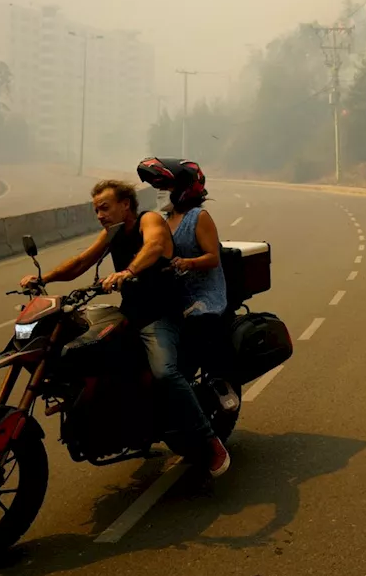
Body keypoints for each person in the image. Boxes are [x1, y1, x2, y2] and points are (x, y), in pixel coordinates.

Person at [18, 178, 230, 477]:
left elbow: (155, 245)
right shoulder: (113, 233)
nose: (100, 215)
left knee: (164, 373)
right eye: (96, 210)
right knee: (88, 353)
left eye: (104, 208)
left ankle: (209, 440)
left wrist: (129, 270)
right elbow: (81, 261)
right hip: (129, 314)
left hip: (160, 316)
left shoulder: (150, 220)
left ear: (125, 204)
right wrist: (45, 280)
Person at [137, 158, 238, 412]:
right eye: (157, 187)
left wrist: (187, 263)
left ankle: (219, 380)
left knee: (198, 323)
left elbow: (212, 257)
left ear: (184, 189)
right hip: (176, 292)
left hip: (204, 292)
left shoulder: (198, 217)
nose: (160, 193)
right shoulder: (160, 220)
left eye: (165, 187)